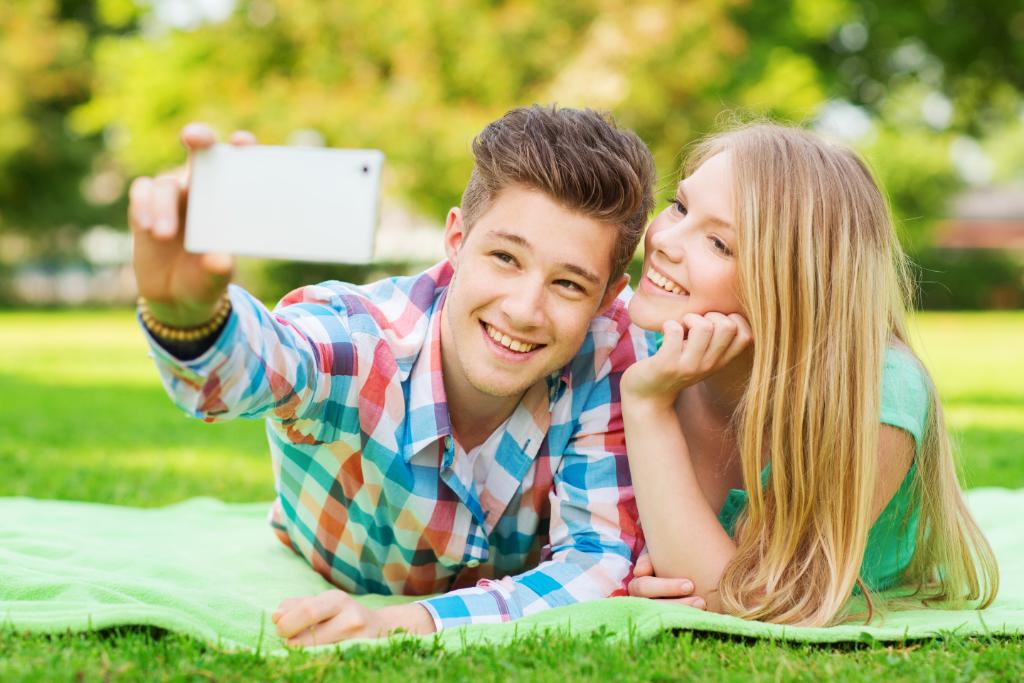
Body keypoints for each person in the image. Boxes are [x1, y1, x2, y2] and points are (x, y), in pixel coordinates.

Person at [128, 105, 681, 645]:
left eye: (568, 285)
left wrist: (401, 625)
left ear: (608, 297)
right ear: (457, 240)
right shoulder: (362, 339)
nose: (524, 310)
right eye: (505, 258)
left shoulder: (611, 352)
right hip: (331, 559)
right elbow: (268, 360)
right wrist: (191, 319)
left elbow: (599, 563)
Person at [620, 122, 999, 625]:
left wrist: (647, 405)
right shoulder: (642, 339)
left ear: (794, 283)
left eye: (719, 244)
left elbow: (753, 600)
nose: (665, 239)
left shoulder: (876, 392)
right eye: (681, 206)